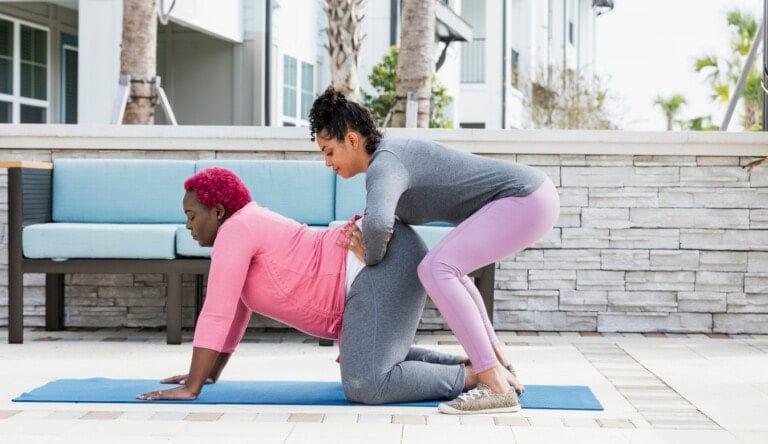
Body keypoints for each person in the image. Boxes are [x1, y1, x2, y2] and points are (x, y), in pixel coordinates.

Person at [309, 86, 560, 414]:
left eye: (329, 151)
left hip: (524, 199)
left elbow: (379, 223)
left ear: (352, 140)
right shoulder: (390, 159)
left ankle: (495, 387)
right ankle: (499, 367)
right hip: (533, 198)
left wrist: (368, 254)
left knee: (435, 269)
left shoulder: (386, 163)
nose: (327, 162)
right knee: (450, 270)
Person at [136, 167, 475, 405]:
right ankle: (472, 366)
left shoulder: (235, 230)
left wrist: (192, 387)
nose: (188, 226)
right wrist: (209, 374)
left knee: (365, 384)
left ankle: (476, 380)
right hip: (386, 257)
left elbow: (216, 312)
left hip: (380, 257)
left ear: (219, 211)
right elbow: (235, 313)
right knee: (370, 359)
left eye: (192, 216)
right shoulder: (245, 224)